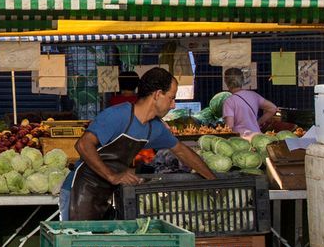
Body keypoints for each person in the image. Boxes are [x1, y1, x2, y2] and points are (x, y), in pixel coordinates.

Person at [61, 66, 216, 222]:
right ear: (157, 94)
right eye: (171, 98)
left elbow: (182, 151)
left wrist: (213, 181)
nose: (173, 105)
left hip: (104, 195)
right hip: (78, 191)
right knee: (75, 244)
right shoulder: (118, 115)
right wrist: (113, 176)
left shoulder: (154, 128)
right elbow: (83, 145)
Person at [219, 67, 279, 135]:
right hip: (256, 136)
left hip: (240, 138)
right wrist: (257, 123)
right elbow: (273, 108)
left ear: (226, 82)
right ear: (242, 80)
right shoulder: (254, 95)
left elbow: (229, 126)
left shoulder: (229, 101)